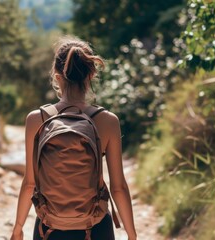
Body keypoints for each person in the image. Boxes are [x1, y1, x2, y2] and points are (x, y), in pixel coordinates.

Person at [10, 36, 137, 240]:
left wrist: (18, 227)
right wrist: (132, 235)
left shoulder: (36, 119)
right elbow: (118, 187)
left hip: (49, 227)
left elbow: (29, 184)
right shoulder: (108, 121)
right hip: (95, 227)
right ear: (91, 75)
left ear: (57, 77)